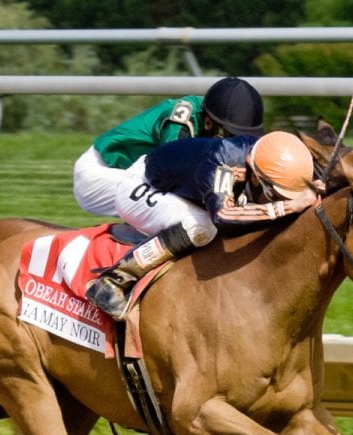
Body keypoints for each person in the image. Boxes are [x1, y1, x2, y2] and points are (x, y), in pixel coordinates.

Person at [86, 131, 325, 319]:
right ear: (255, 176)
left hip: (180, 186)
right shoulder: (222, 164)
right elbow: (224, 216)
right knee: (203, 227)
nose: (280, 201)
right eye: (275, 195)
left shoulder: (264, 160)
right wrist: (286, 207)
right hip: (142, 186)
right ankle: (114, 281)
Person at [73, 77, 265, 217]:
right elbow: (172, 175)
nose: (235, 145)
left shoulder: (207, 118)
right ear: (208, 122)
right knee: (193, 217)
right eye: (229, 136)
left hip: (136, 174)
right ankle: (128, 267)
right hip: (100, 174)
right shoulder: (182, 120)